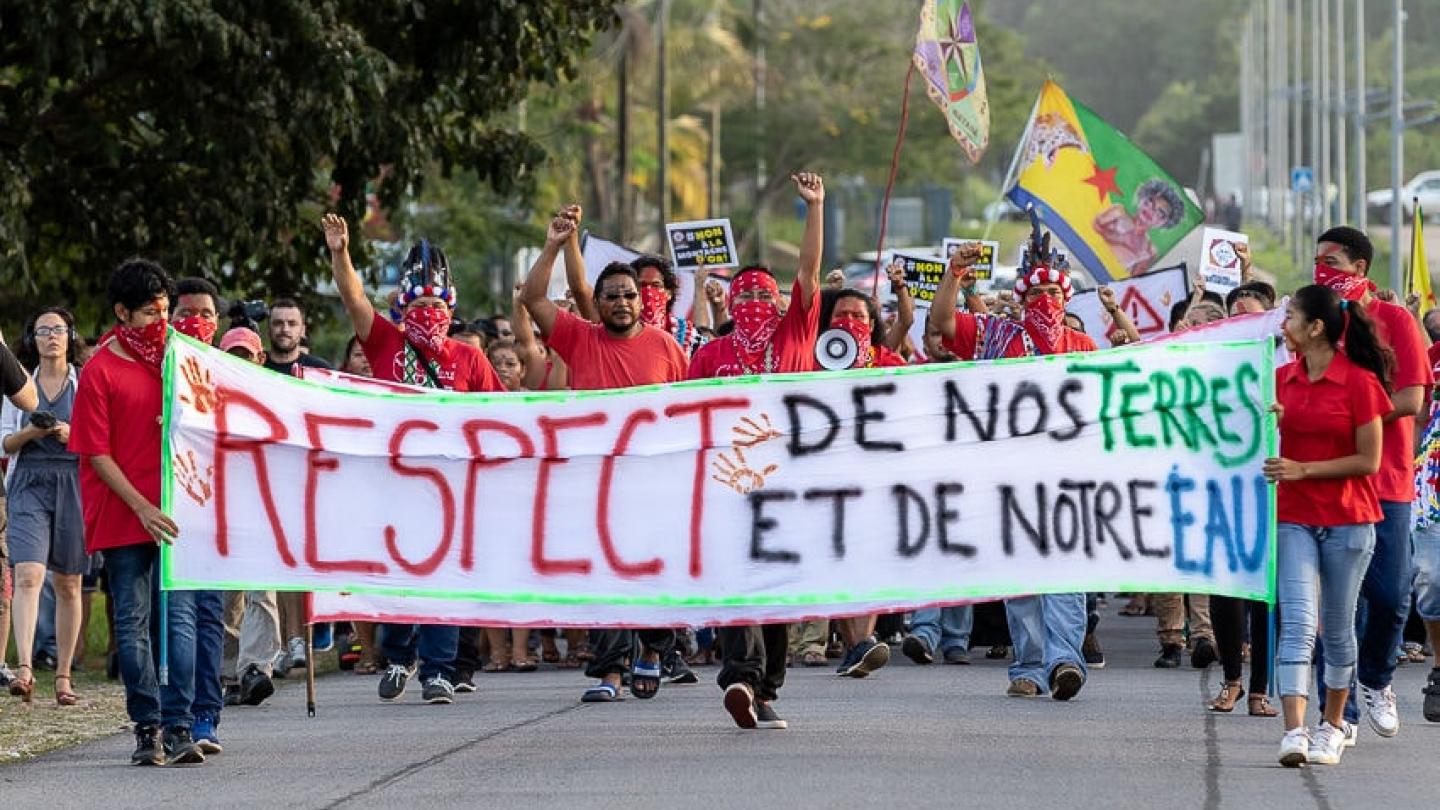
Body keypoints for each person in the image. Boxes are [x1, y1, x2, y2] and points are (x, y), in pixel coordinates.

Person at [323, 213, 505, 706]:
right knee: (401, 575)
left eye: (436, 304)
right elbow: (354, 299)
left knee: (444, 580)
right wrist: (341, 254)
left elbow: (502, 415)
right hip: (393, 484)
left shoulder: (470, 360)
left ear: (451, 308)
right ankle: (401, 655)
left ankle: (440, 672)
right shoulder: (385, 342)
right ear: (404, 307)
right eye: (419, 304)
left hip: (451, 490)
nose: (428, 312)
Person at [521, 210, 688, 703]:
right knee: (606, 575)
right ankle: (609, 671)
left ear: (642, 301)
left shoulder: (666, 348)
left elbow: (687, 411)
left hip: (655, 482)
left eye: (629, 295)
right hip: (597, 482)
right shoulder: (579, 337)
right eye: (611, 295)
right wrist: (552, 244)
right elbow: (532, 299)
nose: (620, 302)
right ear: (597, 303)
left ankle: (654, 652)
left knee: (654, 570)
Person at [929, 216, 1093, 701]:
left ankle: (1066, 660)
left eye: (1055, 296)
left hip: (1070, 477)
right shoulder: (997, 337)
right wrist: (953, 276)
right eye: (1036, 296)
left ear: (1067, 301)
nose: (1046, 304)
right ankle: (1028, 666)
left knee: (1069, 572)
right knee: (1022, 575)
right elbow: (942, 324)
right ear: (1021, 300)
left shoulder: (1083, 347)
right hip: (1011, 476)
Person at [686, 171, 825, 730]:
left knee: (777, 591)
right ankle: (741, 678)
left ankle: (765, 689)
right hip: (727, 485)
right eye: (742, 294)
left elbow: (810, 271)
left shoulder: (794, 334)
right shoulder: (710, 354)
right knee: (737, 582)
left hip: (786, 484)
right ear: (728, 303)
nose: (752, 302)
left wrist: (815, 207)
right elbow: (685, 416)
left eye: (763, 294)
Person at [70, 258, 206, 765]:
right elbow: (95, 454)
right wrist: (142, 506)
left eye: (166, 311)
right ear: (121, 313)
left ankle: (180, 725)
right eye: (149, 313)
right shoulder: (101, 368)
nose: (161, 322)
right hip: (125, 514)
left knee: (180, 623)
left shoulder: (182, 359)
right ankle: (146, 726)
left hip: (179, 514)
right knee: (131, 623)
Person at [1312, 226, 1432, 741]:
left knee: (1388, 598)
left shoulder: (1396, 321)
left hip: (1386, 480)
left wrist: (1348, 417)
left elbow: (1412, 400)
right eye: (1317, 262)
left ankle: (1377, 680)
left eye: (1333, 262)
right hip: (1326, 483)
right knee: (1337, 605)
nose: (1323, 270)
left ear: (1360, 267)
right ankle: (1336, 716)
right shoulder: (1313, 323)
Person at [1267, 283, 1393, 766]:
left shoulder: (1360, 383)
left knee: (1337, 630)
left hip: (1349, 520)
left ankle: (1332, 725)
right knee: (1297, 621)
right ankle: (1294, 731)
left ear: (1315, 327)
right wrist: (1269, 422)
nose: (1284, 326)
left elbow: (1369, 460)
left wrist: (1302, 469)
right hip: (1293, 518)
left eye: (1290, 317)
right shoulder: (1278, 381)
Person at [2, 307, 86, 706]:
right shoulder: (17, 384)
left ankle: (64, 675)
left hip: (74, 482)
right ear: (31, 339)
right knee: (28, 574)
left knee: (69, 582)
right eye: (42, 330)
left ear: (71, 336)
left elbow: (101, 441)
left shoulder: (84, 383)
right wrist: (33, 431)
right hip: (29, 481)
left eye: (58, 329)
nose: (51, 336)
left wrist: (73, 433)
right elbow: (4, 443)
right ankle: (25, 667)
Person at [171, 277, 231, 753]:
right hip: (169, 512)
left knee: (210, 615)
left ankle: (205, 715)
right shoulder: (161, 369)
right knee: (180, 617)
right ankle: (177, 713)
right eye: (187, 313)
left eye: (207, 314)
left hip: (219, 514)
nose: (198, 322)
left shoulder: (232, 375)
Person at [211, 328, 283, 711]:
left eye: (246, 354)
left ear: (260, 358)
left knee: (262, 592)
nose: (239, 360)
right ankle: (230, 672)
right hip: (222, 508)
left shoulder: (276, 399)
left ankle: (256, 668)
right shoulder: (206, 401)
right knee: (228, 597)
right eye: (232, 354)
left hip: (264, 508)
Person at [1092, 179, 1186, 275]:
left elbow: (1132, 278)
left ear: (1164, 222)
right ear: (1142, 199)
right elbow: (1089, 230)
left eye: (1160, 212)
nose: (1151, 210)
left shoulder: (1149, 252)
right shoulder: (1117, 213)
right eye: (1150, 201)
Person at [264, 298, 333, 376]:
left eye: (292, 324)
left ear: (303, 330)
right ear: (268, 328)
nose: (285, 329)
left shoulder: (321, 370)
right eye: (278, 323)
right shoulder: (253, 365)